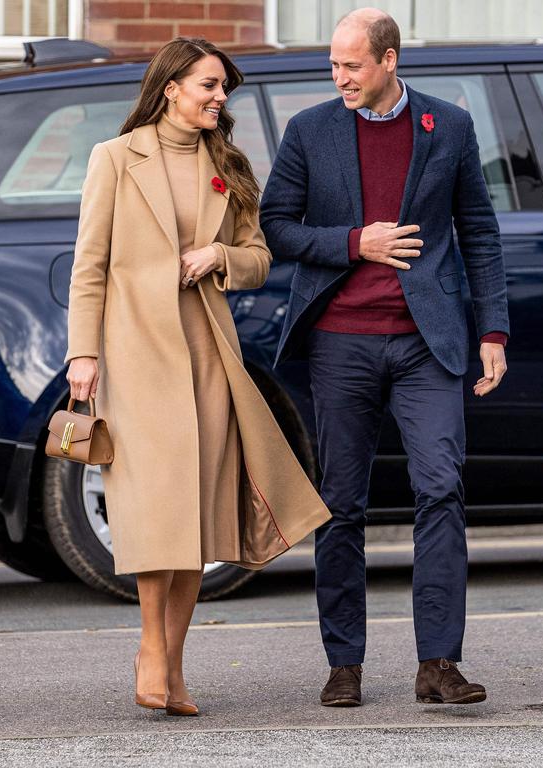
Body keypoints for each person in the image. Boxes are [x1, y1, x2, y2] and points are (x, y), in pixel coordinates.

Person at [65, 37, 329, 716]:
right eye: (209, 85)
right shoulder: (117, 159)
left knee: (196, 518)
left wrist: (220, 255)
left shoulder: (228, 163)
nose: (219, 98)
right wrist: (83, 356)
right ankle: (152, 650)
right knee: (156, 514)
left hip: (208, 355)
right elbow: (89, 265)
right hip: (136, 353)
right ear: (171, 86)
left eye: (223, 89)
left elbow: (260, 257)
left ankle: (171, 669)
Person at [260, 9, 510, 708]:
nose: (339, 77)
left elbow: (480, 233)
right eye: (334, 65)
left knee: (441, 488)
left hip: (427, 342)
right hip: (341, 342)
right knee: (341, 504)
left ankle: (439, 664)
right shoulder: (310, 130)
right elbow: (275, 226)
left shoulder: (448, 127)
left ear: (390, 61)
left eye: (353, 65)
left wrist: (493, 330)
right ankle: (345, 664)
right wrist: (353, 244)